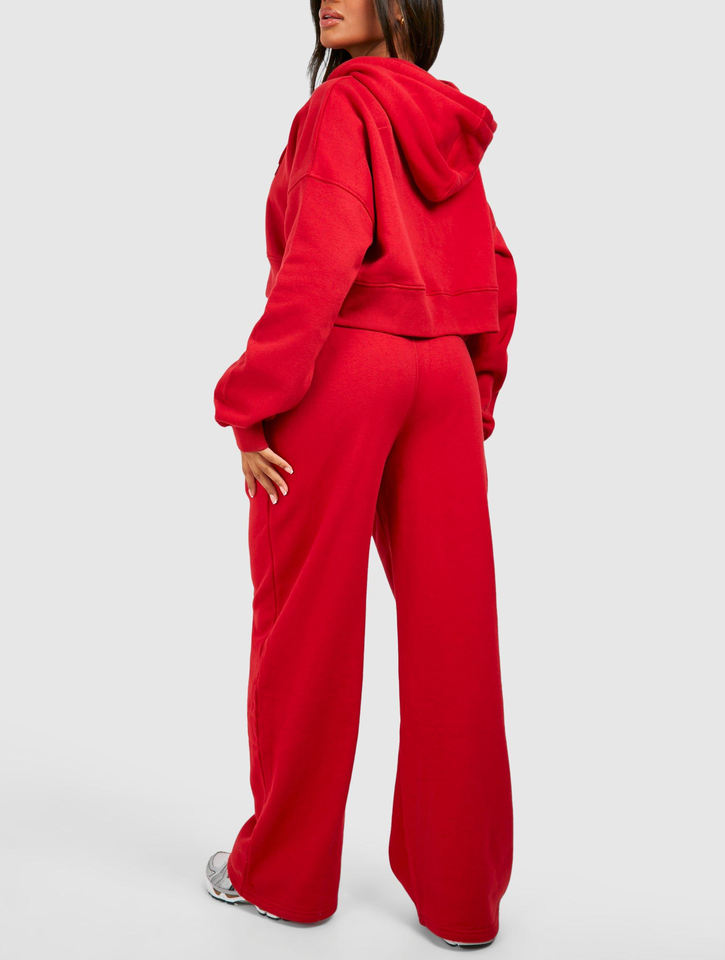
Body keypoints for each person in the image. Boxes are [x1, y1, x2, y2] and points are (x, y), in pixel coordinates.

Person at [205, 0, 517, 948]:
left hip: (345, 368)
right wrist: (476, 384)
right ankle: (460, 900)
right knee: (455, 629)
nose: (324, 0)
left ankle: (284, 875)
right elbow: (497, 267)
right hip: (442, 373)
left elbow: (320, 258)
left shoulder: (341, 106)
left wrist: (249, 400)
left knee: (307, 621)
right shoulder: (446, 122)